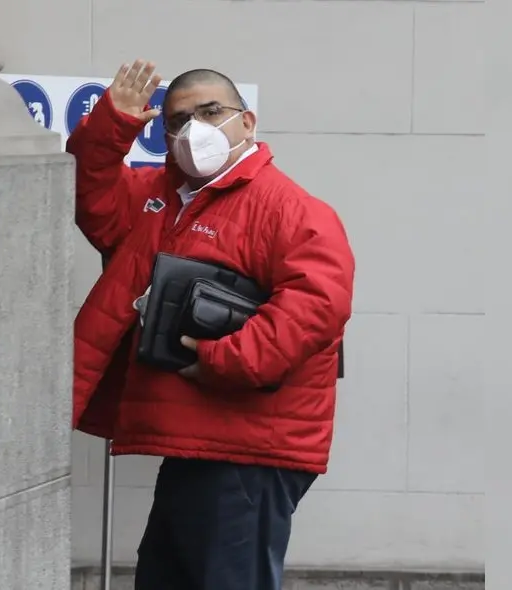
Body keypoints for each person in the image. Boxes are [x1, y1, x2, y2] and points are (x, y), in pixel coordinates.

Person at [68, 59, 356, 590]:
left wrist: (221, 360)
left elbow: (318, 303)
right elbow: (94, 199)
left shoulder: (289, 208)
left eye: (209, 112)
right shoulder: (161, 197)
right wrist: (113, 124)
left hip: (250, 447)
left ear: (247, 122)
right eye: (178, 120)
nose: (193, 129)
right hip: (199, 442)